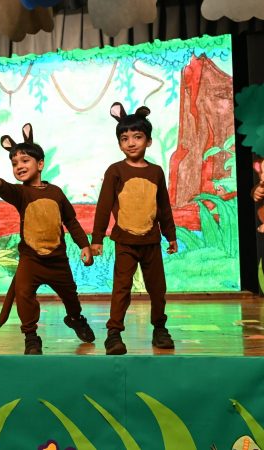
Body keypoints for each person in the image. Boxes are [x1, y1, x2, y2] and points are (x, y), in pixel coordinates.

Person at [0, 123, 95, 355]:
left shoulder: (56, 193)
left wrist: (84, 245)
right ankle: (31, 336)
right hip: (31, 260)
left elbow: (71, 221)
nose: (19, 166)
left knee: (70, 296)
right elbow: (7, 189)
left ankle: (75, 318)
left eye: (25, 161)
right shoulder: (21, 193)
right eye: (14, 164)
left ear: (40, 164)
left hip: (57, 260)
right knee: (24, 294)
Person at [91, 102, 178, 356]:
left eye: (137, 137)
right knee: (121, 288)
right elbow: (104, 205)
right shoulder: (115, 171)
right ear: (119, 143)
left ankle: (160, 328)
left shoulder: (156, 172)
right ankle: (114, 333)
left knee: (157, 289)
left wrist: (170, 236)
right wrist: (97, 238)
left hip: (151, 241)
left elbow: (163, 207)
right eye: (124, 138)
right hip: (125, 243)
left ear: (148, 141)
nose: (131, 143)